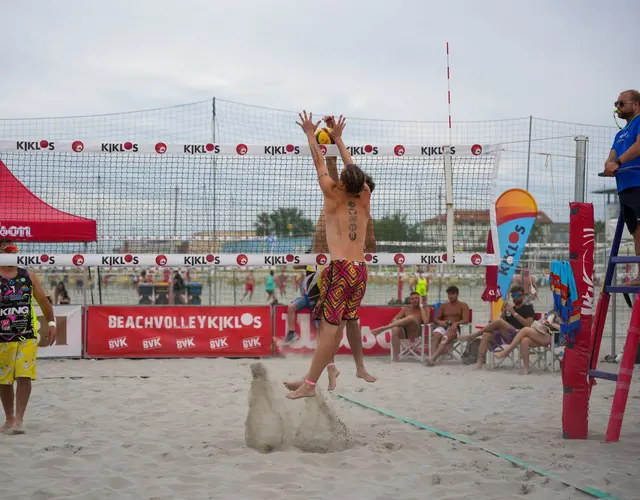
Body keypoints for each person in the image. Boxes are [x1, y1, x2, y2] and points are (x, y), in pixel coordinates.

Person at [284, 116, 377, 387]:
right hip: (360, 270)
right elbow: (351, 166)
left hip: (340, 269)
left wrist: (310, 134)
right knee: (349, 321)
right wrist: (338, 138)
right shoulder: (366, 195)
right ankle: (351, 368)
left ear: (342, 184)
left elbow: (319, 161)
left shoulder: (332, 195)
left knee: (329, 329)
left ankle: (310, 383)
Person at [0, 238, 57, 434]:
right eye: (7, 250)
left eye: (14, 250)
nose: (11, 254)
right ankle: (8, 418)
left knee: (24, 376)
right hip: (2, 337)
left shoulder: (28, 276)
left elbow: (43, 301)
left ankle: (18, 420)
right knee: (4, 380)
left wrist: (51, 323)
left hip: (26, 335)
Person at [603, 90, 640, 286]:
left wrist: (616, 162)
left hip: (638, 181)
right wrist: (609, 164)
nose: (617, 107)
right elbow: (611, 155)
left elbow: (638, 146)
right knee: (635, 229)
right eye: (616, 103)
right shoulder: (619, 133)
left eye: (621, 103)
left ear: (635, 105)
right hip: (625, 186)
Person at [457, 284, 535, 369]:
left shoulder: (528, 308)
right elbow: (501, 322)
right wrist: (504, 313)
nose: (515, 298)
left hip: (519, 335)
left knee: (498, 321)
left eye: (517, 295)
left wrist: (514, 313)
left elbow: (528, 324)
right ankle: (479, 363)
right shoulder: (510, 309)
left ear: (523, 295)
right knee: (486, 334)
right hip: (506, 336)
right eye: (513, 295)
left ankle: (473, 336)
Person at [494, 309, 561, 375]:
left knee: (525, 330)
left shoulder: (566, 313)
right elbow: (542, 320)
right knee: (525, 340)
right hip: (543, 334)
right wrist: (543, 322)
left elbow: (564, 328)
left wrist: (552, 324)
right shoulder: (553, 312)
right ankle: (526, 369)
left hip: (554, 337)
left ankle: (507, 351)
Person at [370, 291, 428, 361]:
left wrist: (421, 306)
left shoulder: (425, 309)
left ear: (420, 299)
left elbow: (425, 322)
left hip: (417, 332)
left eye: (416, 298)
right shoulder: (406, 308)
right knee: (395, 329)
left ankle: (383, 328)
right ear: (410, 300)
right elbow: (395, 318)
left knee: (411, 317)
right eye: (412, 299)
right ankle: (396, 357)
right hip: (405, 333)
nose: (414, 300)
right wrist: (398, 322)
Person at [426, 285, 470, 365]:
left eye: (453, 294)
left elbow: (466, 320)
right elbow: (436, 319)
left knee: (445, 338)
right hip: (443, 326)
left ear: (457, 294)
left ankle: (432, 358)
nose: (451, 296)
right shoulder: (444, 306)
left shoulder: (463, 305)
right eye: (449, 294)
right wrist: (440, 322)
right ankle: (433, 359)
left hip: (454, 328)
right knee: (435, 336)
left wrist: (456, 323)